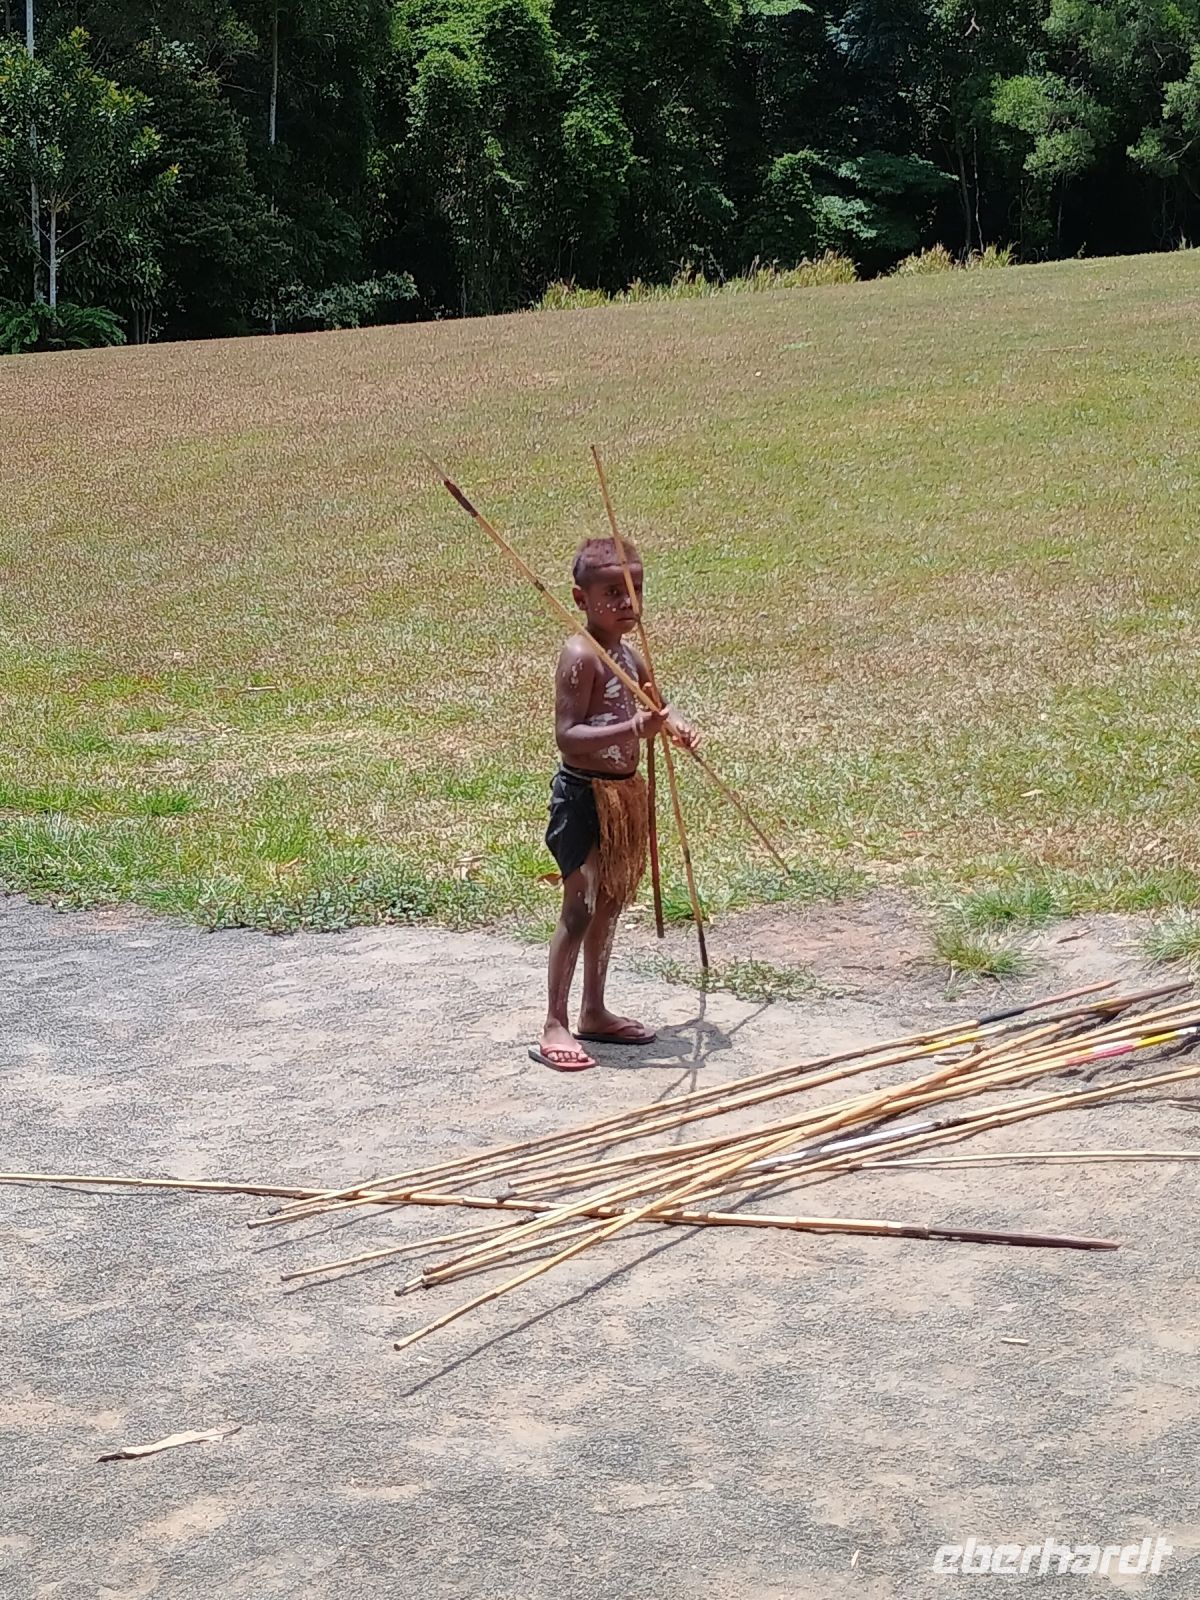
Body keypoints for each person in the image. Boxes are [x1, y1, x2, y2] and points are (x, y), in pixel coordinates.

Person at [531, 536, 700, 1071]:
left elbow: (657, 704)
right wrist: (636, 727)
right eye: (612, 593)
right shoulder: (582, 656)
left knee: (609, 904)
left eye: (635, 591)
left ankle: (594, 1011)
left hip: (624, 796)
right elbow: (567, 735)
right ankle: (555, 1019)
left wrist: (673, 726)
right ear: (580, 599)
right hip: (584, 795)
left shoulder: (630, 652)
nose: (628, 604)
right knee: (579, 906)